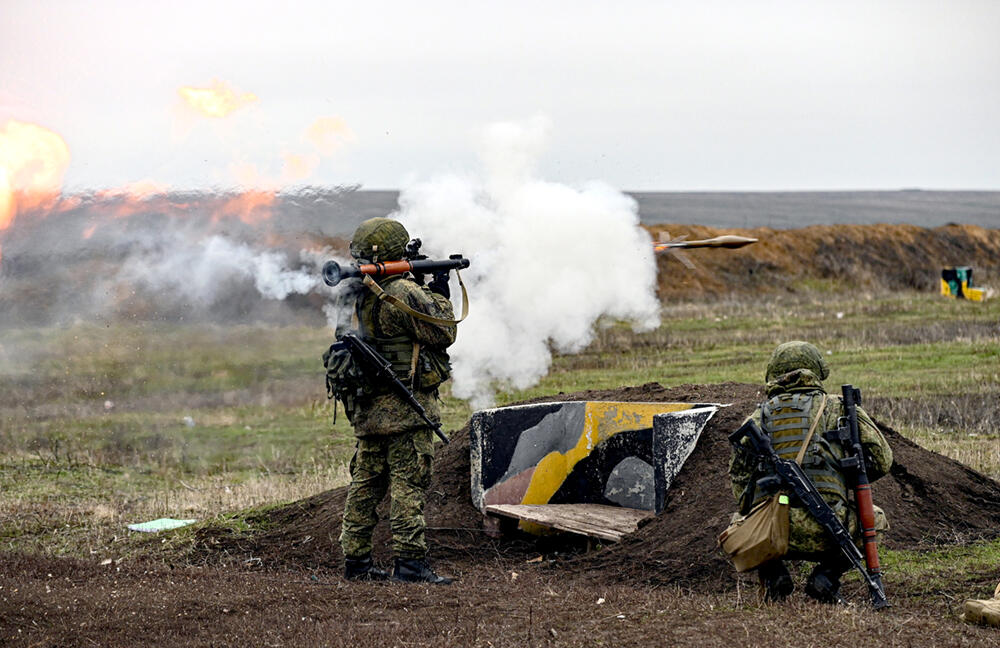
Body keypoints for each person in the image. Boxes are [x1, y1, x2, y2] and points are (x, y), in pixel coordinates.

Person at [336, 217, 457, 584]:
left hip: (369, 410)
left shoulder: (355, 292)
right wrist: (439, 290)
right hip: (405, 409)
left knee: (366, 485)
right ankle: (410, 564)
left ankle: (356, 562)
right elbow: (444, 330)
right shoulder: (401, 292)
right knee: (409, 484)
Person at [729, 341, 893, 604]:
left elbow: (739, 476)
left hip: (772, 534)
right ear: (817, 370)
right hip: (832, 531)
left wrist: (759, 508)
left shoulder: (759, 417)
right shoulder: (838, 409)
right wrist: (844, 478)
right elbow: (882, 459)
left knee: (737, 520)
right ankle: (827, 576)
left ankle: (773, 574)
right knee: (876, 518)